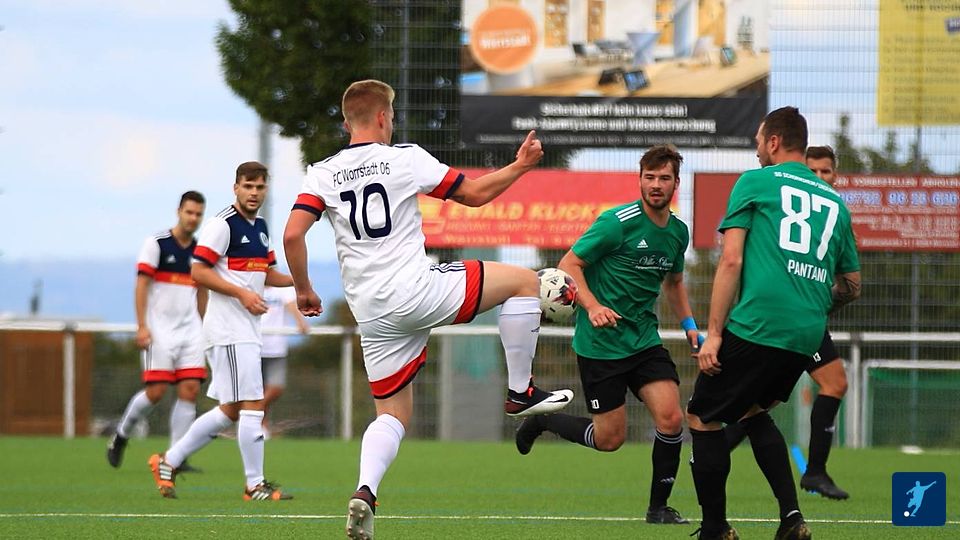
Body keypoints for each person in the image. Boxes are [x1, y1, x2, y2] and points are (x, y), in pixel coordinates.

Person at [283, 79, 574, 540]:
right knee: (524, 281)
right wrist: (520, 165)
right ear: (383, 117)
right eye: (392, 115)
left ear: (347, 122)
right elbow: (474, 195)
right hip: (416, 292)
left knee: (391, 415)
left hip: (371, 313)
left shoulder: (322, 172)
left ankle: (365, 491)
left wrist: (303, 289)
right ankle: (520, 391)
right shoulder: (404, 157)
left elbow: (292, 235)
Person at [685, 107, 861, 540]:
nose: (757, 149)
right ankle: (791, 520)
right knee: (752, 411)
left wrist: (714, 334)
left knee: (701, 416)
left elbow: (731, 260)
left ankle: (715, 529)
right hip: (807, 334)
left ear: (774, 142)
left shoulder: (755, 182)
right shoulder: (836, 204)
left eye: (758, 141)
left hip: (758, 324)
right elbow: (852, 285)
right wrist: (809, 304)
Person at [514, 145, 700, 525]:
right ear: (640, 180)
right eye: (649, 177)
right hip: (601, 345)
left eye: (664, 178)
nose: (656, 184)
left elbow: (675, 282)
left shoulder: (678, 232)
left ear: (676, 183)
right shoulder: (617, 222)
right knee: (609, 440)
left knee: (670, 419)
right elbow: (569, 264)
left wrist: (689, 325)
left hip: (644, 340)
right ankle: (544, 421)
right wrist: (594, 306)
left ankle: (658, 509)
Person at [149, 162, 297, 501]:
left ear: (266, 189)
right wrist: (242, 294)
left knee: (231, 410)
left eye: (259, 187)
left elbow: (266, 274)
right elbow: (198, 271)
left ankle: (168, 460)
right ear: (236, 188)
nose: (254, 193)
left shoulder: (261, 227)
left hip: (246, 331)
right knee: (253, 403)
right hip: (229, 331)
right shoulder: (222, 224)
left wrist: (301, 283)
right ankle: (254, 484)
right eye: (248, 186)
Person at [723, 145, 851, 500]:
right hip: (783, 318)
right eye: (815, 170)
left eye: (827, 171)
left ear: (835, 176)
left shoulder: (834, 212)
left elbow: (848, 279)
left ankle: (814, 472)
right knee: (757, 403)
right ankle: (712, 450)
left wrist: (819, 303)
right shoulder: (785, 201)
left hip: (807, 320)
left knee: (830, 384)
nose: (820, 177)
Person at [107, 191, 208, 471]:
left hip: (191, 331)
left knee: (190, 389)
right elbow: (141, 285)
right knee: (156, 391)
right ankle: (121, 435)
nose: (193, 218)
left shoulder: (200, 251)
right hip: (159, 331)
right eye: (189, 212)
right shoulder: (157, 244)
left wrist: (205, 327)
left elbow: (202, 291)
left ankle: (175, 458)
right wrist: (142, 326)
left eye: (198, 214)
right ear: (179, 211)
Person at [260, 285, 310, 436]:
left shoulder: (282, 288)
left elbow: (291, 304)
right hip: (253, 346)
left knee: (276, 388)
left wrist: (300, 321)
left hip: (276, 348)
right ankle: (260, 426)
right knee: (255, 391)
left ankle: (252, 411)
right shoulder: (250, 283)